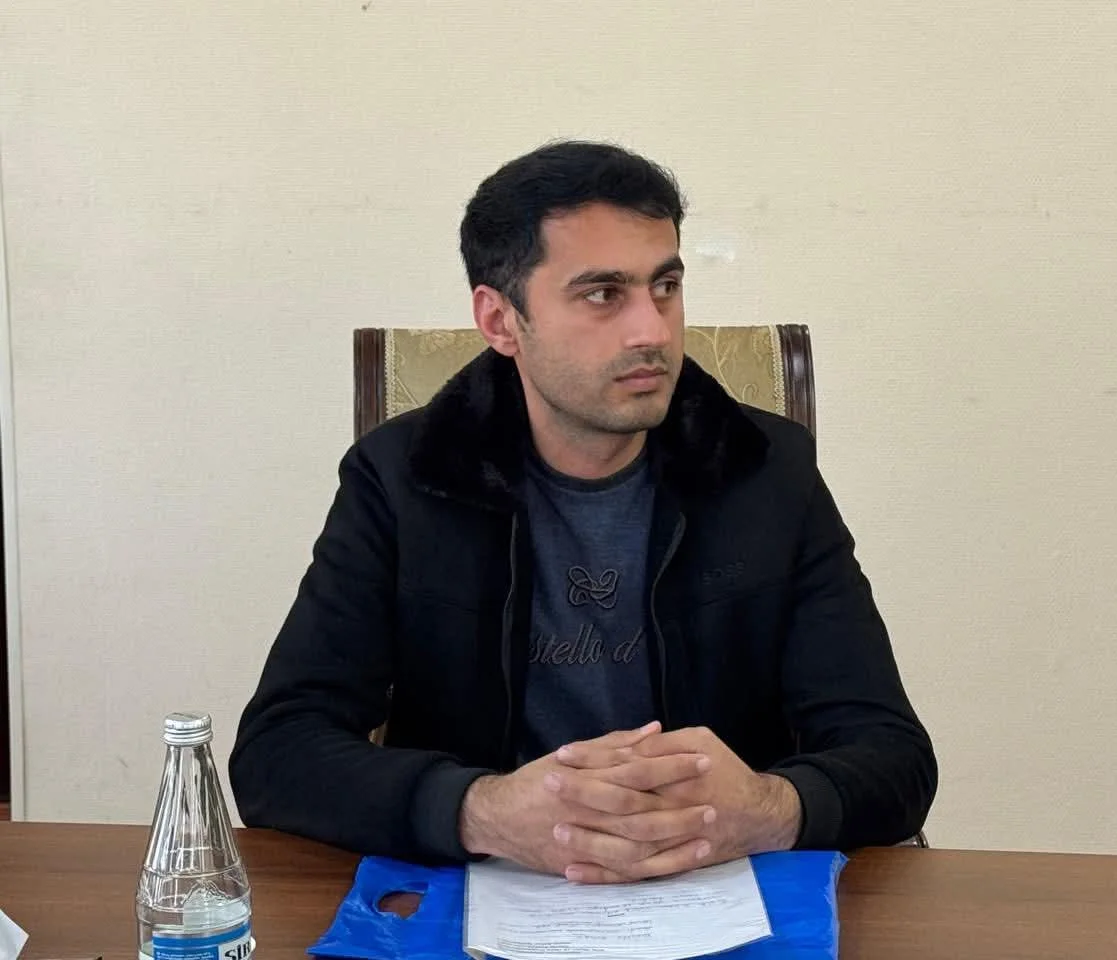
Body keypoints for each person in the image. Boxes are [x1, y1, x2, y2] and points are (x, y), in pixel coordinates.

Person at [230, 141, 937, 884]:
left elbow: (893, 754)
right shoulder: (403, 480)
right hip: (487, 890)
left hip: (714, 885)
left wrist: (770, 807)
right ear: (501, 320)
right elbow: (278, 751)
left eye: (665, 286)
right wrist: (481, 810)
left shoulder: (768, 471)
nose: (652, 331)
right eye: (603, 294)